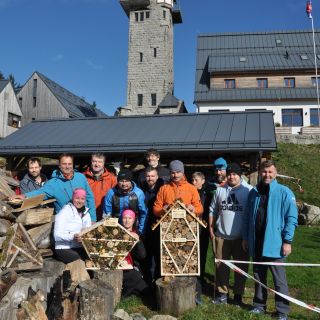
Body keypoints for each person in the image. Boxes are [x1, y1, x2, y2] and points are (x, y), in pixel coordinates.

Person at [242, 160, 298, 320]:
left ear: (276, 173)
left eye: (270, 172)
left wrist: (288, 241)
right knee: (259, 277)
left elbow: (291, 218)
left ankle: (282, 312)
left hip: (276, 245)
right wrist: (246, 238)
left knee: (279, 281)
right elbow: (247, 217)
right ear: (260, 172)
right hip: (256, 242)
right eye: (264, 172)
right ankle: (259, 305)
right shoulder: (254, 192)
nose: (267, 175)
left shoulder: (285, 192)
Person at [209, 163, 252, 305]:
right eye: (229, 174)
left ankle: (238, 295)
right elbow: (213, 209)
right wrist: (211, 227)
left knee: (240, 268)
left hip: (241, 238)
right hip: (221, 236)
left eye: (234, 174)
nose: (231, 176)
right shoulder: (220, 190)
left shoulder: (249, 190)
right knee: (221, 268)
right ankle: (222, 294)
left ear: (240, 175)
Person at [11, 154, 96, 222]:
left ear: (73, 165)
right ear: (59, 165)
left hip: (84, 218)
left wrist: (92, 218)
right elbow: (40, 193)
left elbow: (89, 197)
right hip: (66, 221)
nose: (67, 166)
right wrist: (24, 196)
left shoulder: (81, 177)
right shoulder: (53, 183)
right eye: (64, 164)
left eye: (69, 164)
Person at [103, 169, 147, 235]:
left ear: (131, 181)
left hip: (134, 228)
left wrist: (140, 231)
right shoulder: (111, 193)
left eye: (126, 181)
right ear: (117, 181)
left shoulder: (139, 193)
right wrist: (110, 230)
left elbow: (143, 213)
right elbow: (107, 213)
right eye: (121, 181)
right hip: (116, 228)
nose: (124, 184)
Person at [53, 188, 91, 264]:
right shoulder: (64, 212)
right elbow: (56, 235)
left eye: (82, 199)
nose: (79, 201)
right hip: (63, 248)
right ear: (73, 198)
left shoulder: (86, 214)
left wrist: (85, 237)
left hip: (79, 247)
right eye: (77, 198)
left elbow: (88, 230)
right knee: (79, 262)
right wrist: (73, 237)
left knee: (93, 260)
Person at [140, 166, 164, 283]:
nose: (150, 178)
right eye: (148, 176)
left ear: (157, 176)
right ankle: (148, 280)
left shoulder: (162, 189)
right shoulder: (141, 190)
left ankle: (158, 278)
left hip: (159, 224)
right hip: (145, 225)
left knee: (159, 253)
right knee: (146, 254)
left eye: (152, 176)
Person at [120, 209, 148, 298]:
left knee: (145, 291)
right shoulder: (117, 232)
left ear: (134, 220)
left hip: (132, 267)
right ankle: (123, 296)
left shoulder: (138, 234)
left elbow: (142, 255)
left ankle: (129, 291)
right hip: (120, 268)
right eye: (124, 218)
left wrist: (138, 241)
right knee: (135, 277)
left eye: (130, 218)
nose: (127, 220)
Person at [84, 153, 117, 221]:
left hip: (106, 217)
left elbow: (116, 199)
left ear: (104, 163)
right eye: (94, 161)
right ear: (91, 162)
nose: (97, 164)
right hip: (87, 216)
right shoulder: (82, 177)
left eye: (100, 162)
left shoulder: (112, 179)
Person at [191, 171, 211, 284]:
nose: (193, 182)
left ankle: (200, 278)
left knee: (202, 254)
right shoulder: (189, 192)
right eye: (192, 180)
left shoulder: (207, 195)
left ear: (203, 181)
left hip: (203, 228)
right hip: (191, 227)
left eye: (196, 180)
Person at [207, 157, 228, 240]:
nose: (218, 173)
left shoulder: (233, 184)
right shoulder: (210, 185)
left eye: (221, 170)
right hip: (216, 226)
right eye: (216, 170)